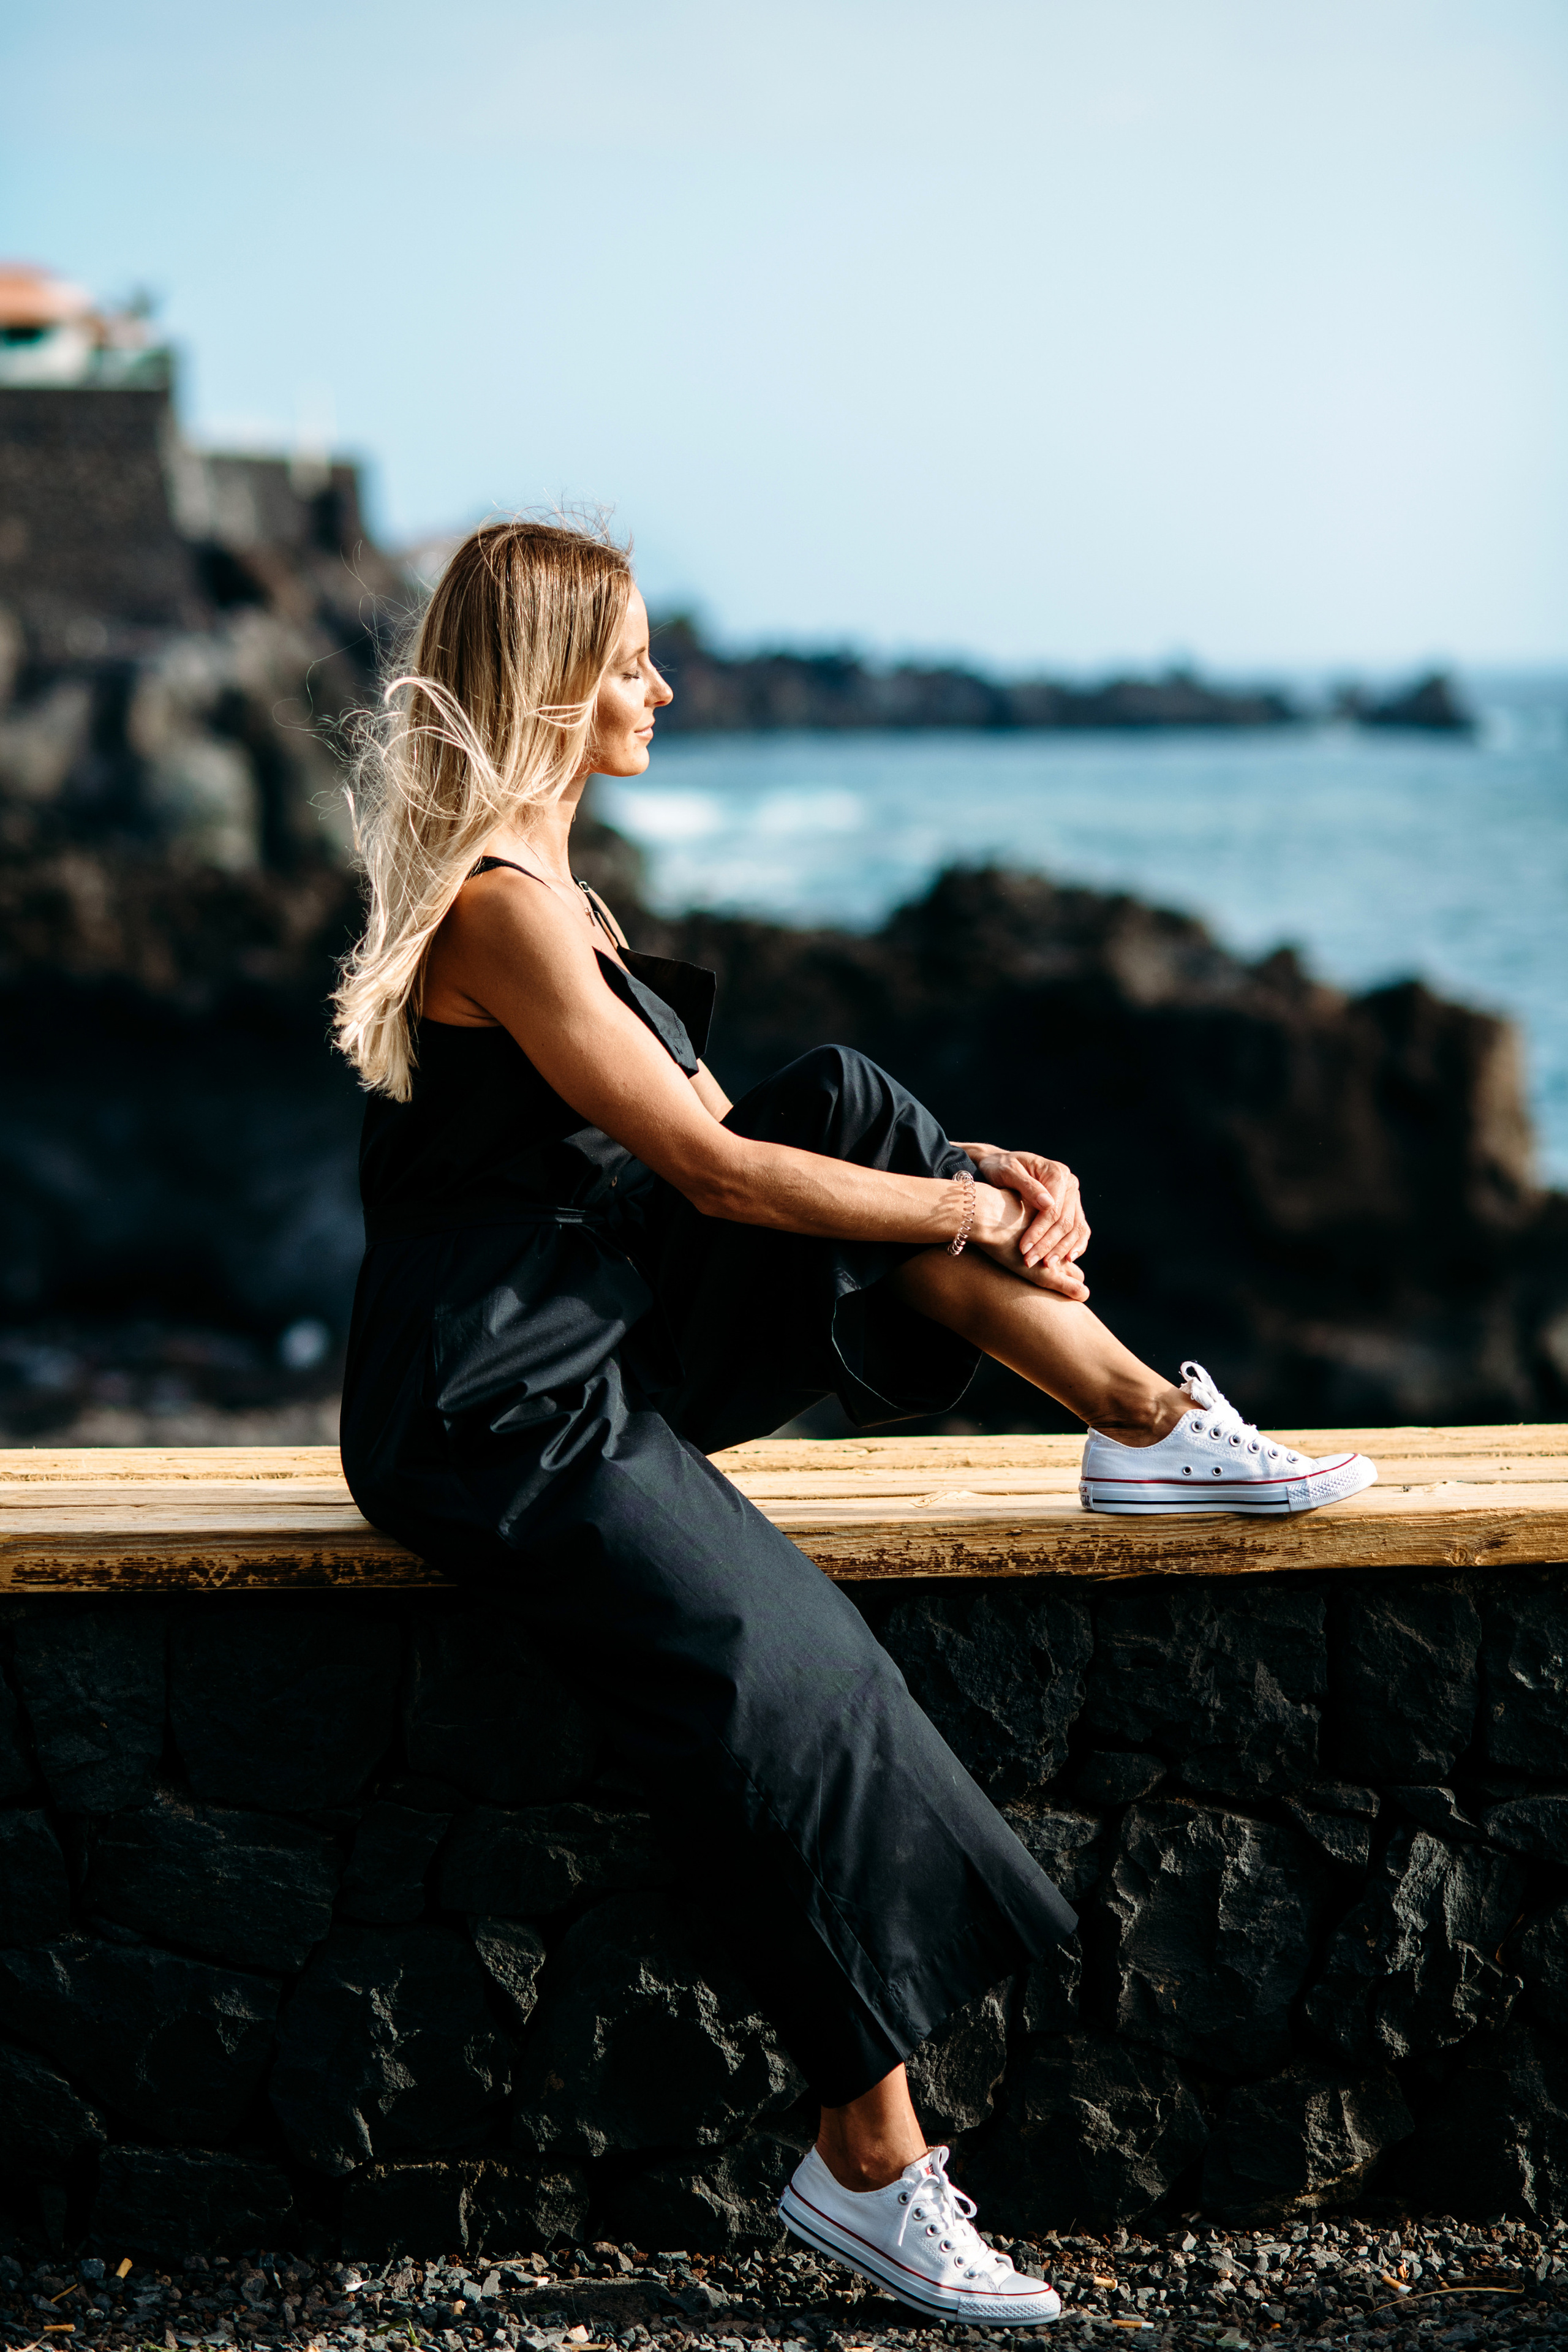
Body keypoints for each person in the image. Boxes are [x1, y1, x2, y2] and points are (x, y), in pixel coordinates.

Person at [333, 519, 1376, 2324]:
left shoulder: (566, 900)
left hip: (602, 1328)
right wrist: (968, 1212)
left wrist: (974, 1170)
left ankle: (1140, 1422)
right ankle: (870, 2166)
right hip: (489, 1400)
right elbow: (710, 1175)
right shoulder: (499, 911)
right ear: (554, 682)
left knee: (853, 1099)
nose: (663, 688)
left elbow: (757, 1147)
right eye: (633, 661)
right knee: (786, 1667)